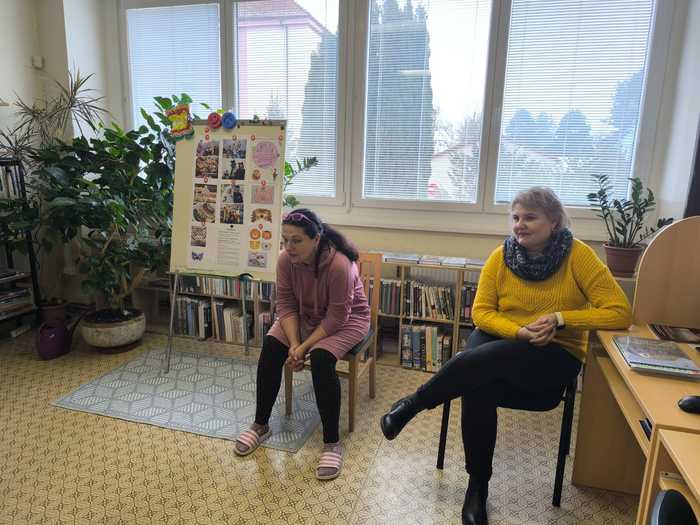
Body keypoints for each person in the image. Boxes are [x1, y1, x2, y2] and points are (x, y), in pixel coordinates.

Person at [379, 187, 632, 525]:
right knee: (479, 384)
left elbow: (619, 312)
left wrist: (561, 319)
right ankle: (477, 486)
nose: (519, 225)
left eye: (530, 217)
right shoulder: (501, 256)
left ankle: (413, 404)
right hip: (503, 341)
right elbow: (481, 313)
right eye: (515, 217)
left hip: (554, 353)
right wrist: (518, 331)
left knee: (478, 370)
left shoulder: (579, 256)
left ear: (554, 222)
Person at [234, 208, 370, 480]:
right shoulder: (285, 260)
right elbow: (285, 304)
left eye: (296, 240)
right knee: (271, 347)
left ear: (316, 239)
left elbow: (337, 317)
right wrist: (295, 344)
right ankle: (261, 424)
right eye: (285, 240)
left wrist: (304, 347)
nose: (289, 247)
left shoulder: (340, 265)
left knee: (321, 359)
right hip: (305, 316)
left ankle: (332, 443)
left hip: (348, 320)